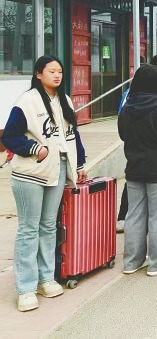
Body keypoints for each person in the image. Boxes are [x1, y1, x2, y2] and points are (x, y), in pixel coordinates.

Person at [1, 55, 87, 312]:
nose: (57, 75)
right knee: (29, 229)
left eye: (60, 71)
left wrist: (79, 165)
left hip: (58, 169)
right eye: (51, 71)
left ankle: (45, 278)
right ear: (38, 74)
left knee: (49, 226)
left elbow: (73, 135)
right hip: (30, 173)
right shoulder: (26, 101)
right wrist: (34, 148)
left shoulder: (65, 100)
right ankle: (25, 288)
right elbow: (10, 136)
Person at [118, 65, 157, 276]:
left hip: (134, 169)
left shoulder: (127, 108)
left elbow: (123, 134)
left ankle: (132, 262)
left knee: (134, 215)